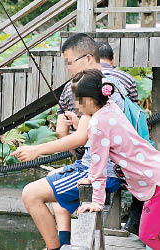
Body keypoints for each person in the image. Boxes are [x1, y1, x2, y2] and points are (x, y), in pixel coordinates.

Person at [10, 33, 128, 250]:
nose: (69, 70)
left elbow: (81, 137)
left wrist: (36, 150)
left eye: (69, 63)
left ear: (88, 59)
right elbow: (87, 131)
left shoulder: (99, 90)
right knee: (52, 178)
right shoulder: (101, 85)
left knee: (31, 194)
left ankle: (54, 248)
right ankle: (63, 242)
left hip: (101, 171)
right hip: (99, 167)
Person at [74, 69, 160, 250]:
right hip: (155, 169)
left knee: (147, 235)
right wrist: (90, 176)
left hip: (155, 183)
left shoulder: (98, 124)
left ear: (89, 100)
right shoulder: (111, 107)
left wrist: (97, 203)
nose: (76, 105)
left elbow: (99, 166)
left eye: (78, 100)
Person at [97, 41, 143, 235]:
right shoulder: (126, 78)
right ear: (113, 59)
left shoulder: (85, 80)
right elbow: (136, 111)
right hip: (124, 147)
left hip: (94, 148)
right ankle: (133, 222)